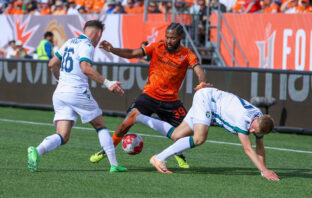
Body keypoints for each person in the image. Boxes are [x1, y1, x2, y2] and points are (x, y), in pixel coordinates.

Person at [89, 22, 210, 169]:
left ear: (180, 37)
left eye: (172, 38)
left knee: (188, 132)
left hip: (171, 101)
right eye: (167, 37)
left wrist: (202, 83)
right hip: (149, 96)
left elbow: (199, 70)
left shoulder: (187, 54)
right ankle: (106, 150)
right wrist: (112, 50)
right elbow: (132, 53)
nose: (169, 41)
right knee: (127, 122)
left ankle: (178, 153)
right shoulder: (156, 47)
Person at [27, 20, 127, 173]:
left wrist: (58, 78)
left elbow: (52, 63)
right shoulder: (86, 45)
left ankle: (37, 151)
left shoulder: (69, 42)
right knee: (100, 125)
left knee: (63, 136)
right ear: (99, 33)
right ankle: (114, 165)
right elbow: (86, 69)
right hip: (77, 92)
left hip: (60, 93)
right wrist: (108, 83)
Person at [144, 87, 280, 181]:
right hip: (207, 100)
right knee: (199, 138)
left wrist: (264, 171)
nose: (251, 131)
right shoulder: (243, 119)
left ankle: (138, 117)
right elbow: (248, 149)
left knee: (177, 135)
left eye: (254, 132)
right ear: (256, 121)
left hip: (208, 97)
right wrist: (264, 170)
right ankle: (159, 158)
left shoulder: (259, 119)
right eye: (252, 129)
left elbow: (260, 146)